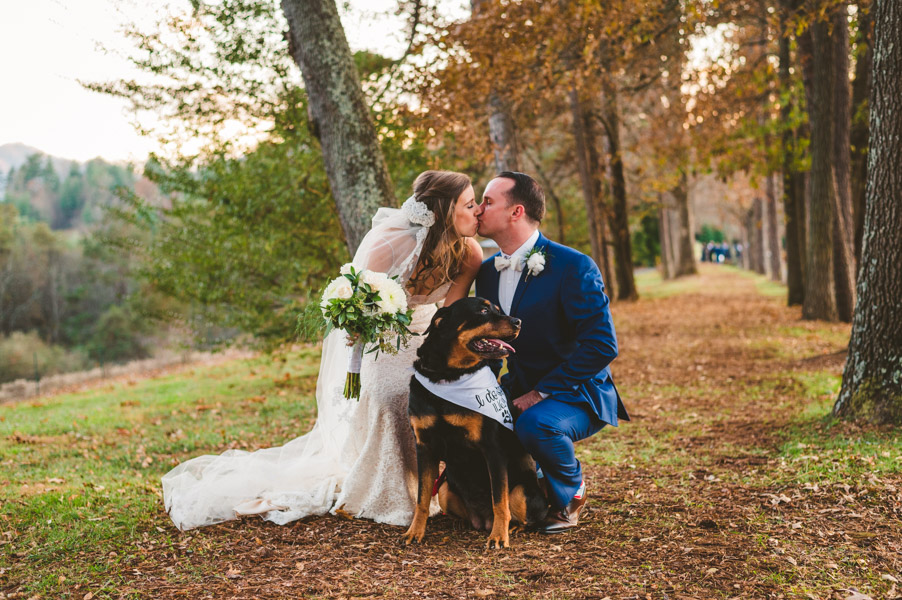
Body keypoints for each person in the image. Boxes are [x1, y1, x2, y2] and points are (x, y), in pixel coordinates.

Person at [162, 170, 483, 530]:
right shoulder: (387, 246)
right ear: (443, 211)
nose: (478, 211)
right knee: (391, 395)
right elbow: (359, 309)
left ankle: (446, 485)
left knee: (432, 394)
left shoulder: (469, 253)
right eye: (469, 205)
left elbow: (448, 320)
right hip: (383, 342)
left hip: (426, 339)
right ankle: (395, 492)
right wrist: (360, 331)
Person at [474, 171, 629, 534]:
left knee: (535, 423)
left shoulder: (573, 266)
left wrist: (540, 393)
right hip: (520, 382)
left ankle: (571, 493)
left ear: (516, 212)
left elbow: (603, 345)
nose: (479, 210)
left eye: (488, 201)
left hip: (579, 392)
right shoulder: (487, 272)